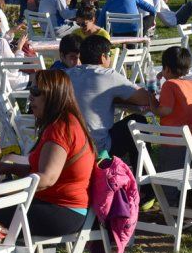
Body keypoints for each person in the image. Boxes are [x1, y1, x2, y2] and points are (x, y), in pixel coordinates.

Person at [0, 69, 95, 237]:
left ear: (53, 95)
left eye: (35, 92)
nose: (30, 97)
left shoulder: (60, 129)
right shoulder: (66, 121)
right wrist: (10, 169)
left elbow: (47, 179)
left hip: (62, 212)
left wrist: (3, 190)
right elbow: (44, 173)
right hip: (63, 208)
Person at [65, 36, 151, 177]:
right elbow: (144, 98)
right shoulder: (106, 75)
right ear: (103, 57)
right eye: (109, 55)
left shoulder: (68, 74)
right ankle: (144, 186)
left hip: (68, 146)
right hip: (98, 149)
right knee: (137, 121)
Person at [146, 47, 192, 205]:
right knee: (188, 178)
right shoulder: (191, 83)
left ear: (166, 69)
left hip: (174, 142)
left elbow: (165, 110)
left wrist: (152, 103)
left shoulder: (169, 85)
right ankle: (189, 207)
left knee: (169, 178)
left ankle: (174, 210)